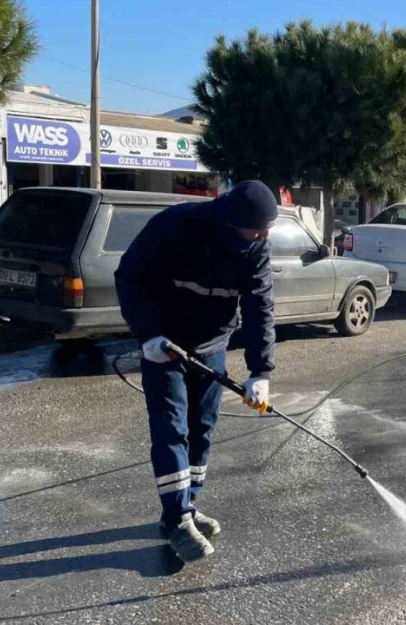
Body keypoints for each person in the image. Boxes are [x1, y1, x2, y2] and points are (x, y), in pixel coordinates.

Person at [115, 180, 278, 563]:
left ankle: (187, 504)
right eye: (256, 230)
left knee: (202, 427)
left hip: (212, 346)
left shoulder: (255, 245)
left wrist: (260, 371)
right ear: (231, 221)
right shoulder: (177, 225)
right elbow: (131, 277)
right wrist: (149, 336)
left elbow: (260, 305)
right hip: (165, 348)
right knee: (172, 429)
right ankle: (176, 520)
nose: (261, 237)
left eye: (265, 231)